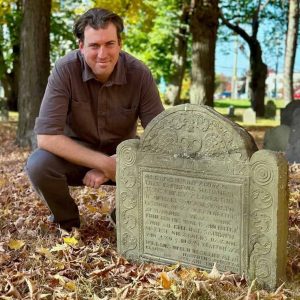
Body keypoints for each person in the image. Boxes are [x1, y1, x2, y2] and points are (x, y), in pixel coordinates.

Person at [25, 8, 164, 231]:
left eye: (109, 44)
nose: (103, 54)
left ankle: (125, 216)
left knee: (167, 162)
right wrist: (104, 164)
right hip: (76, 158)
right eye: (94, 45)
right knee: (39, 164)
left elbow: (162, 136)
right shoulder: (65, 70)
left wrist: (115, 161)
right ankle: (67, 222)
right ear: (81, 47)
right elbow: (47, 137)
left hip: (123, 159)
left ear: (120, 43)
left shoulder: (139, 74)